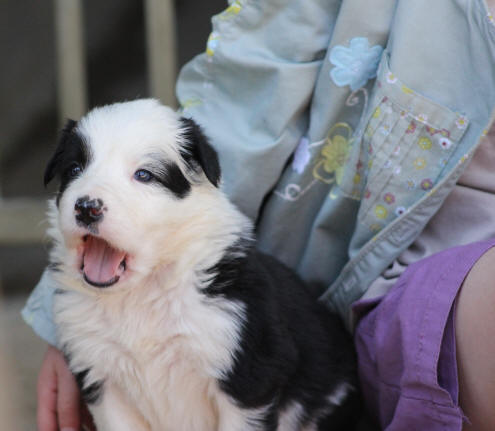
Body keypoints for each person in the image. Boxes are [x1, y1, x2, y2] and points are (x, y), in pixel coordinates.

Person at [25, 0, 495, 429]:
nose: (89, 196)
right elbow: (244, 104)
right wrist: (56, 313)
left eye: (144, 175)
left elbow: (252, 390)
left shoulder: (226, 297)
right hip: (421, 290)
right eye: (75, 169)